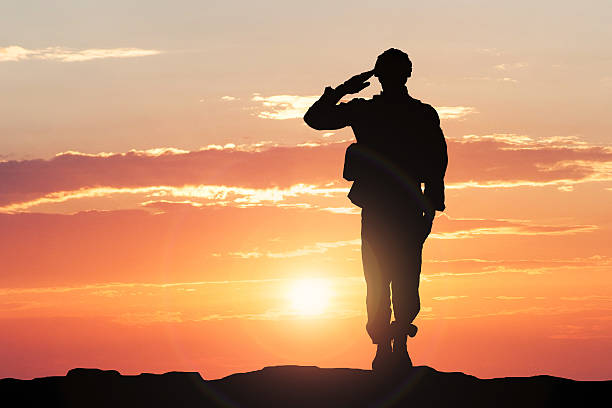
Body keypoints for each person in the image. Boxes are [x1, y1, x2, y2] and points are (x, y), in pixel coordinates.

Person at [304, 48, 448, 372]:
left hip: (399, 208)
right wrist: (343, 91)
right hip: (390, 207)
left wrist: (343, 90)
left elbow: (437, 161)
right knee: (388, 277)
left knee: (395, 277)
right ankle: (388, 344)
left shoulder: (409, 114)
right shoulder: (384, 112)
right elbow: (315, 120)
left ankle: (394, 343)